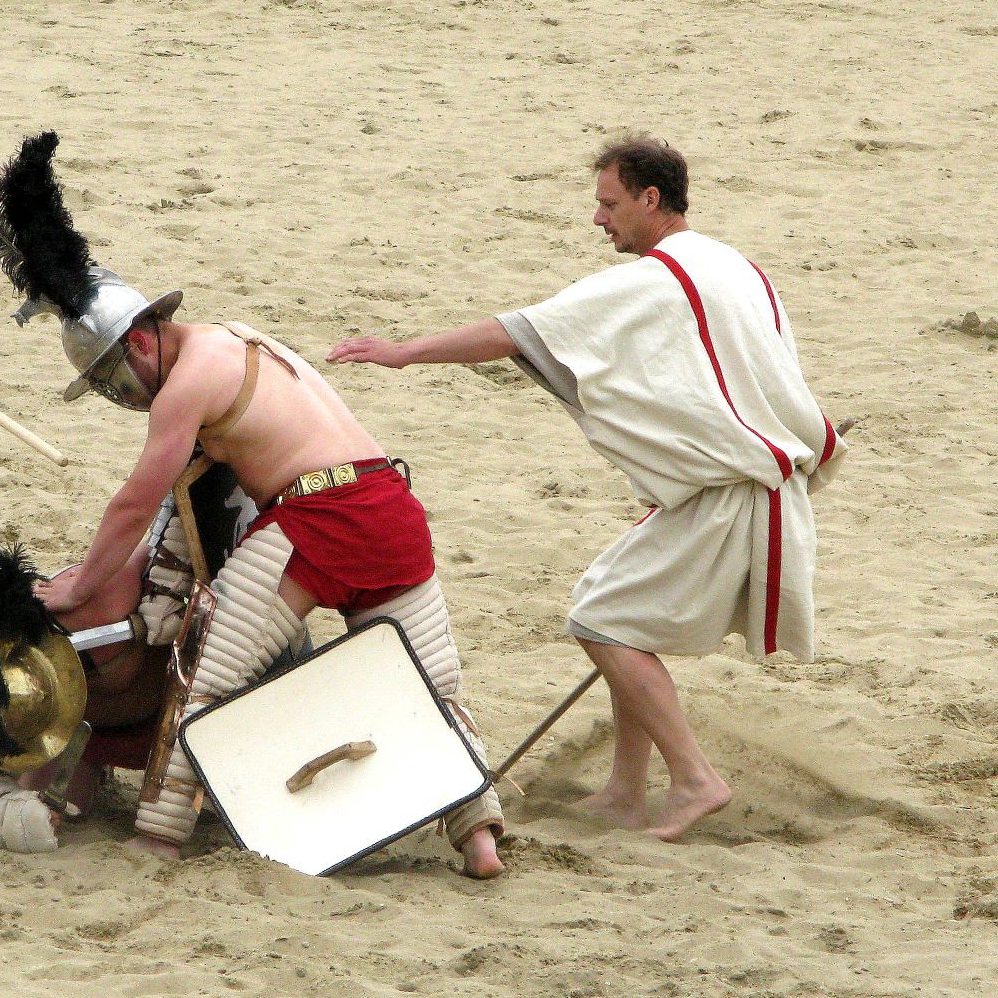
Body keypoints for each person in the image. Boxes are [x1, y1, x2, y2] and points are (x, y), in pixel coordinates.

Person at [0, 132, 505, 877]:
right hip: (391, 506)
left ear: (140, 345)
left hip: (319, 520)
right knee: (432, 684)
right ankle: (479, 837)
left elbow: (136, 501)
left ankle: (160, 834)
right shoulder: (239, 341)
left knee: (204, 671)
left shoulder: (185, 386)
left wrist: (83, 586)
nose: (121, 397)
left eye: (113, 379)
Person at [327, 135, 847, 841]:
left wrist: (404, 353)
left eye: (609, 204)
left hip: (733, 490)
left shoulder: (658, 277)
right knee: (617, 608)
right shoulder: (736, 265)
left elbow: (516, 332)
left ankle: (694, 779)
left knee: (603, 620)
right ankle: (626, 792)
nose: (599, 219)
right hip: (743, 482)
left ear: (650, 199)